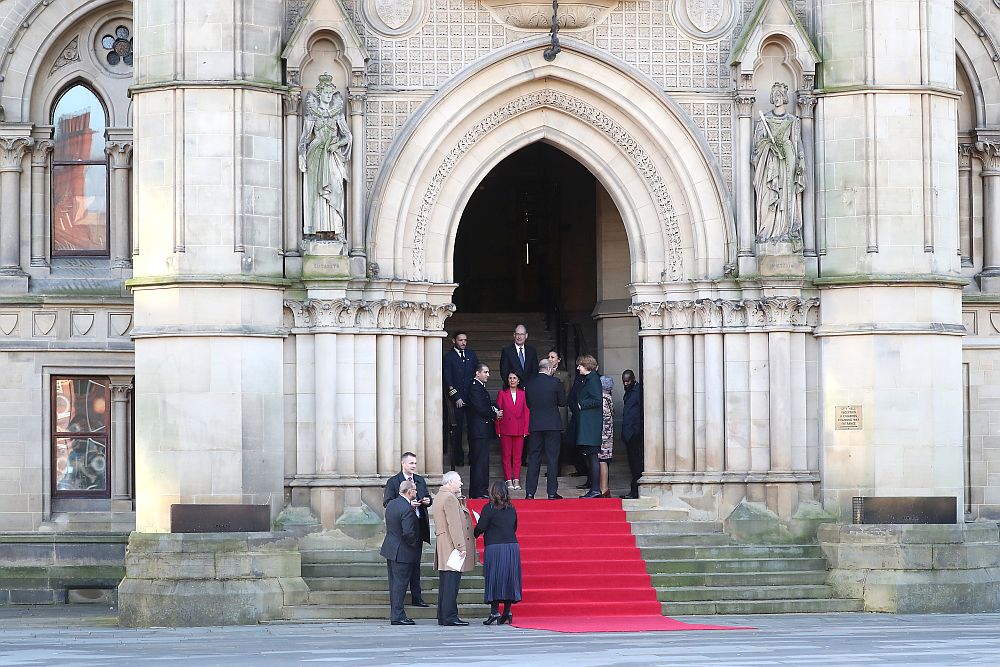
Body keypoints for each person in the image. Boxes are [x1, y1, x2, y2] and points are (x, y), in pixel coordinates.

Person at [297, 73, 352, 238]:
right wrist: (301, 156)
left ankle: (336, 228)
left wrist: (337, 144)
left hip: (332, 155)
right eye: (325, 93)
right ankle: (316, 229)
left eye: (330, 93)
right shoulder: (312, 114)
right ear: (319, 93)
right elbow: (304, 138)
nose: (328, 96)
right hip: (316, 155)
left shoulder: (338, 114)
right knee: (316, 192)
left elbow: (348, 136)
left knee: (335, 188)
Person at [382, 452, 432, 607]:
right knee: (403, 567)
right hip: (403, 530)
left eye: (415, 463)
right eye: (411, 463)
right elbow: (388, 503)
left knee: (416, 565)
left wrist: (427, 501)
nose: (414, 466)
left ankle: (417, 597)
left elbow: (428, 498)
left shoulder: (420, 480)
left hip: (418, 526)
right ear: (403, 464)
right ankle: (399, 602)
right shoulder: (394, 481)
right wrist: (407, 505)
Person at [432, 471, 477, 626]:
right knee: (451, 583)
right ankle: (450, 616)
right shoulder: (449, 498)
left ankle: (443, 616)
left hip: (444, 543)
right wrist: (460, 546)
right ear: (450, 482)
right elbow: (454, 525)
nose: (461, 484)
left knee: (446, 583)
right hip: (452, 546)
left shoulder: (440, 496)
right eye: (459, 481)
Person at [475, 480, 522, 625]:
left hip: (495, 547)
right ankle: (507, 611)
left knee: (494, 578)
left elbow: (481, 527)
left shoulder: (489, 508)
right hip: (512, 546)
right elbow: (514, 527)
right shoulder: (511, 508)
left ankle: (494, 611)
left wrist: (474, 534)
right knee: (509, 579)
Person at [523, 357, 567, 500]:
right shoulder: (555, 382)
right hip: (552, 425)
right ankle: (552, 492)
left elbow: (529, 404)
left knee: (534, 458)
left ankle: (530, 493)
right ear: (549, 369)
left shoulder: (530, 384)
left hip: (535, 424)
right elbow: (562, 402)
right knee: (552, 458)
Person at [380, 480, 421, 625]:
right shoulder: (406, 508)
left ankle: (396, 613)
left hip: (391, 548)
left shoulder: (392, 504)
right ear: (409, 492)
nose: (416, 493)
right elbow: (408, 532)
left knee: (394, 584)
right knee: (400, 585)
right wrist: (413, 544)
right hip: (402, 551)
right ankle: (398, 615)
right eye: (415, 490)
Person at [443, 332, 479, 469]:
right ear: (454, 341)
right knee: (457, 430)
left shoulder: (471, 355)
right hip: (457, 400)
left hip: (470, 399)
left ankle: (472, 457)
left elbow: (476, 373)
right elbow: (448, 379)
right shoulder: (449, 357)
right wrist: (455, 396)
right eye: (460, 340)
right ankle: (458, 457)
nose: (463, 342)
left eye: (465, 340)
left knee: (473, 429)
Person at [466, 363, 500, 499]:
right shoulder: (475, 387)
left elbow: (486, 404)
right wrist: (494, 414)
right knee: (480, 462)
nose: (488, 375)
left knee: (482, 462)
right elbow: (480, 407)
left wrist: (494, 408)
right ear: (477, 373)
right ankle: (479, 491)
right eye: (485, 372)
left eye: (488, 372)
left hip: (482, 430)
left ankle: (480, 490)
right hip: (479, 431)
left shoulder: (479, 387)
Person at [574, 355, 603, 498]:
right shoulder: (588, 379)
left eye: (580, 365)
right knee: (590, 457)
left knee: (593, 457)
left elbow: (597, 400)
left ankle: (596, 489)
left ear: (586, 366)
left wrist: (582, 404)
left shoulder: (593, 379)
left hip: (591, 426)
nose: (578, 367)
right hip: (588, 425)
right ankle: (594, 488)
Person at [495, 372, 529, 491]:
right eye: (510, 378)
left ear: (518, 380)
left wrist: (526, 429)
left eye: (514, 378)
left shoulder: (523, 394)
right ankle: (508, 479)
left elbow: (526, 412)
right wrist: (498, 428)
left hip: (519, 429)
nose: (512, 380)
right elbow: (498, 412)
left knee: (518, 457)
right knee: (506, 456)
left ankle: (517, 479)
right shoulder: (502, 393)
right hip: (505, 429)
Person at [621, 369, 644, 499]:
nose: (625, 384)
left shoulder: (638, 391)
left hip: (635, 433)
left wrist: (636, 431)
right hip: (629, 433)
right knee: (632, 462)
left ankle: (635, 491)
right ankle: (634, 490)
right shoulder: (630, 392)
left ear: (633, 379)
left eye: (628, 381)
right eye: (624, 381)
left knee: (636, 463)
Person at [598, 375, 615, 498]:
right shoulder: (609, 398)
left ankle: (603, 488)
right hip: (607, 436)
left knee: (602, 461)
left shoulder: (603, 400)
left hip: (603, 436)